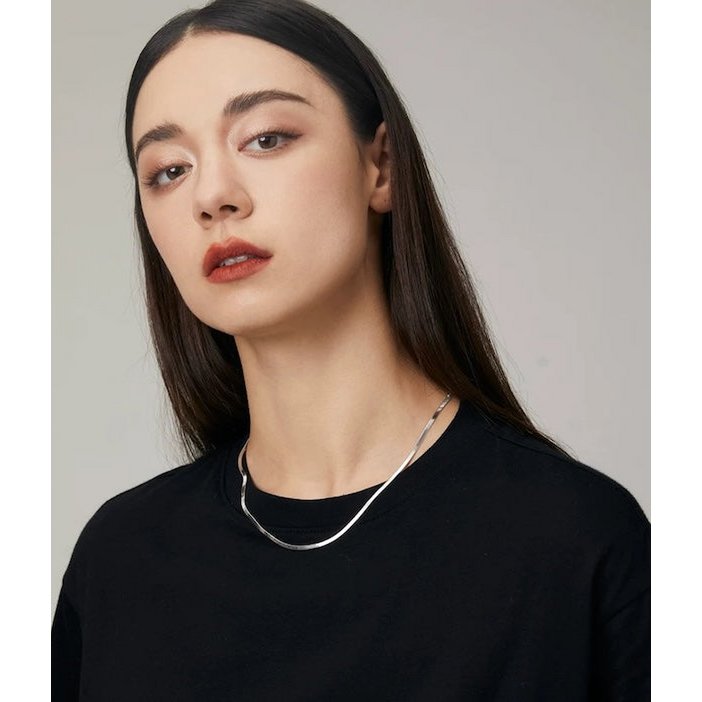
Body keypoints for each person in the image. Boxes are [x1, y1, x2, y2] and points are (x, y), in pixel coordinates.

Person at [51, 0, 650, 699]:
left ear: (381, 166)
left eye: (266, 138)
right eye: (168, 170)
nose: (212, 196)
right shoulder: (119, 562)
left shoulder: (576, 541)